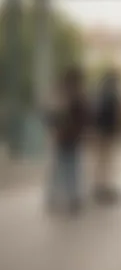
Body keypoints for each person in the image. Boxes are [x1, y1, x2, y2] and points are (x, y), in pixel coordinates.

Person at [46, 67, 88, 211]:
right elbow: (53, 117)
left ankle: (64, 198)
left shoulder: (68, 96)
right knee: (67, 168)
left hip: (68, 137)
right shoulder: (67, 97)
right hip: (66, 137)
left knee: (65, 168)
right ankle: (67, 198)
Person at [92, 69, 121, 203]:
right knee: (106, 163)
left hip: (102, 133)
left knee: (102, 163)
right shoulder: (111, 96)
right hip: (107, 133)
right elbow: (113, 116)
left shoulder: (100, 95)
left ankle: (100, 188)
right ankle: (103, 189)